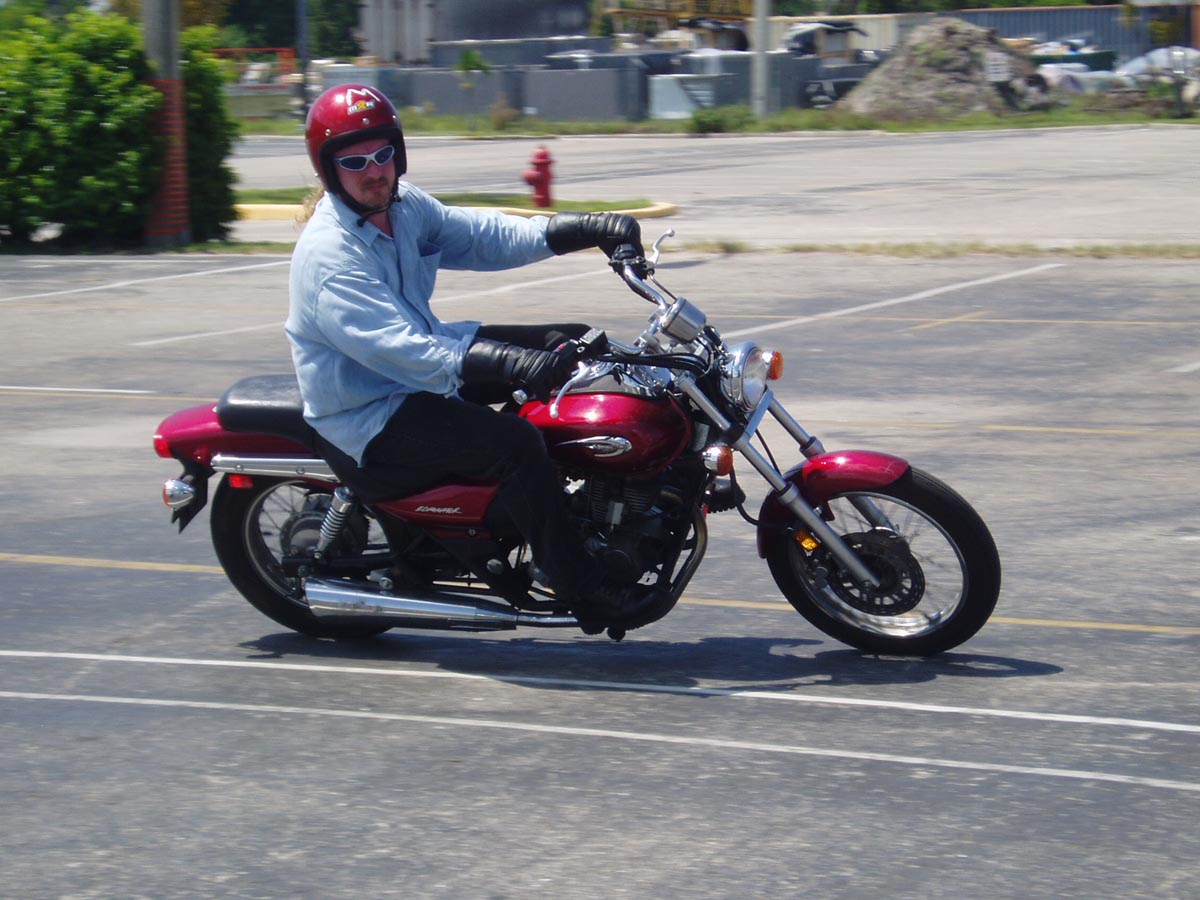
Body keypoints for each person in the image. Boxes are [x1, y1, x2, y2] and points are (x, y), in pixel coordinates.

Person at [286, 83, 659, 632]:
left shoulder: (403, 207)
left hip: (422, 368)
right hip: (371, 412)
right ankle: (580, 584)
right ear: (329, 169)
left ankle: (573, 512)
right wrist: (511, 365)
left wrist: (586, 228)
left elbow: (484, 236)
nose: (374, 171)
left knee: (572, 342)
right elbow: (402, 351)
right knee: (515, 444)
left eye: (383, 154)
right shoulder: (329, 256)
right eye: (355, 161)